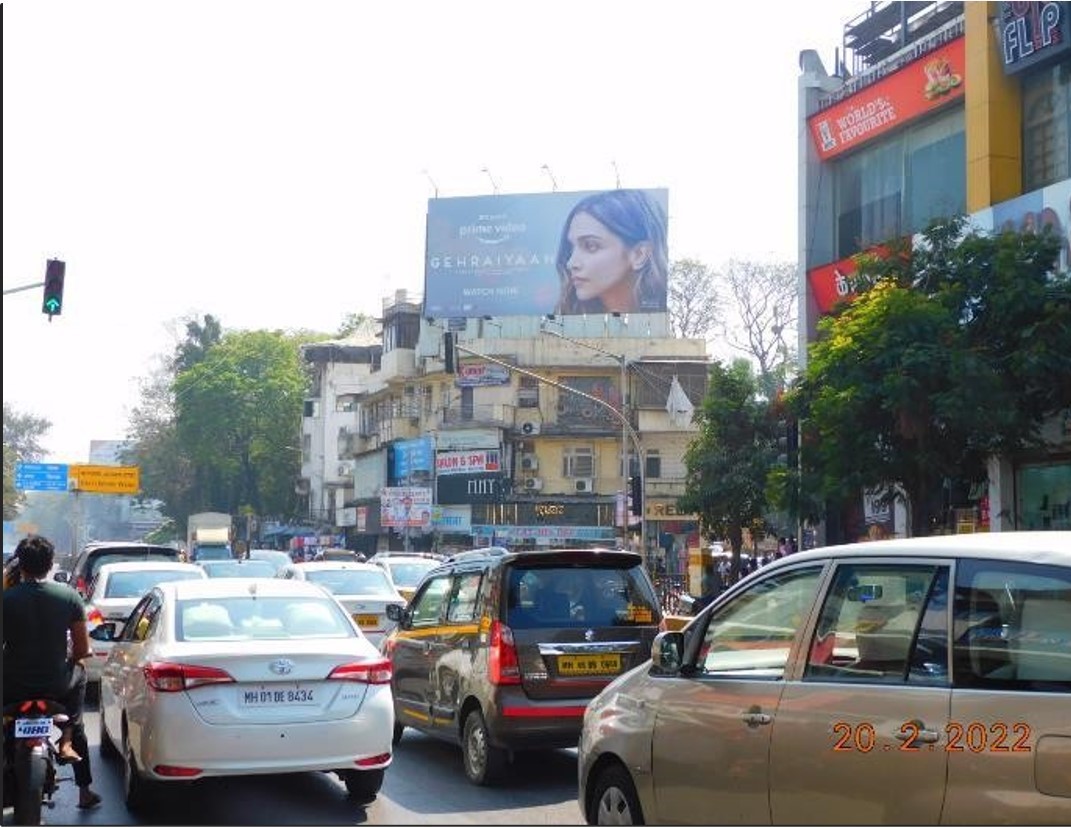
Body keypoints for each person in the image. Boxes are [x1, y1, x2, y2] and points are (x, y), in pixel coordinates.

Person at [2, 536, 102, 809]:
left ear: (20, 564)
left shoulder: (6, 599)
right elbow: (82, 649)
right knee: (80, 674)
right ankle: (80, 779)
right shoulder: (69, 596)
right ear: (50, 564)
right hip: (56, 685)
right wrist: (70, 657)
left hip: (10, 685)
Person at [555, 189, 669, 315]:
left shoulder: (657, 320)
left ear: (639, 255)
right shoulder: (564, 322)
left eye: (590, 246)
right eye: (571, 248)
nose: (571, 263)